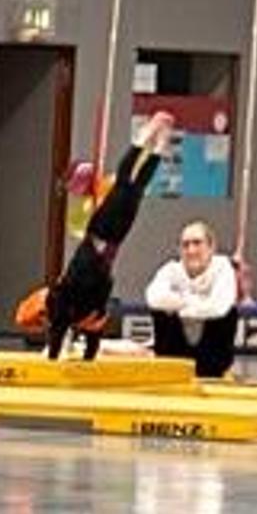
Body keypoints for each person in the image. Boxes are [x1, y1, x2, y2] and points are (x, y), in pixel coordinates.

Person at [36, 140, 162, 357]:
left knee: (128, 185)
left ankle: (147, 143)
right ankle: (154, 149)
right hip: (106, 246)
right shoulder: (90, 314)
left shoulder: (69, 309)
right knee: (134, 188)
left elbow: (62, 324)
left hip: (100, 240)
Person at [144, 217, 240, 381]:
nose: (191, 250)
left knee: (229, 313)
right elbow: (152, 297)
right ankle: (170, 368)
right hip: (176, 352)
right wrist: (195, 302)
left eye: (197, 243)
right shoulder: (171, 270)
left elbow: (219, 307)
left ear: (211, 247)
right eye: (185, 245)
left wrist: (180, 305)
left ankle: (212, 372)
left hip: (211, 358)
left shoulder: (223, 268)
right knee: (160, 312)